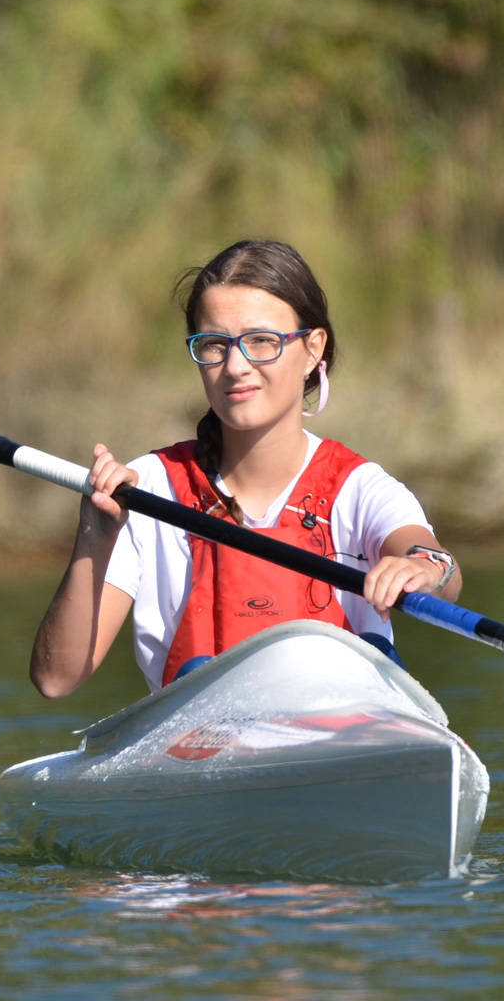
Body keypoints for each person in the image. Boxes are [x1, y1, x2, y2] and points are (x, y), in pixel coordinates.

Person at [30, 240, 462, 698]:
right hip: (199, 746)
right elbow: (56, 680)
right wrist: (95, 537)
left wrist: (425, 570)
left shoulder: (358, 488)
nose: (235, 366)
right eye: (213, 345)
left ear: (313, 349)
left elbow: (440, 567)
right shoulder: (148, 489)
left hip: (345, 729)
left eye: (261, 341)